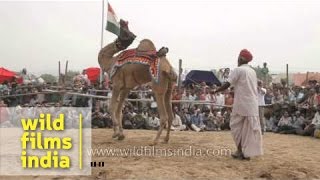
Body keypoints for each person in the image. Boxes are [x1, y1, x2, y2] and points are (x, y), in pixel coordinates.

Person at [214, 49, 263, 160]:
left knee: (236, 127)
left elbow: (227, 84)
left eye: (238, 57)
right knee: (249, 129)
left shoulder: (238, 70)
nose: (237, 59)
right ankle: (247, 153)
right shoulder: (252, 71)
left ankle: (240, 151)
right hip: (252, 105)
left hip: (242, 104)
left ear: (241, 58)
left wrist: (216, 91)